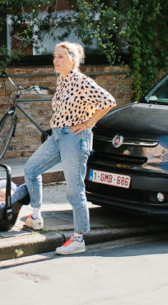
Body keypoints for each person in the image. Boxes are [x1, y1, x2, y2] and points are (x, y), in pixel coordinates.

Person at [21, 42, 116, 255]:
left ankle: (79, 238)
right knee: (31, 169)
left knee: (74, 189)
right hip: (58, 136)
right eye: (55, 56)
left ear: (73, 60)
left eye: (61, 56)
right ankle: (36, 217)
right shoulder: (62, 80)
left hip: (75, 139)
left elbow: (109, 101)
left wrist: (88, 123)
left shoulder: (82, 81)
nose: (55, 60)